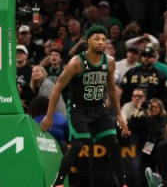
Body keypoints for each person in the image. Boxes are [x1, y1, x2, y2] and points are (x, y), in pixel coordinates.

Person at [41, 25, 130, 187]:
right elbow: (58, 87)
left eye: (104, 39)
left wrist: (118, 115)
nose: (101, 42)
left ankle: (122, 183)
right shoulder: (77, 62)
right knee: (79, 144)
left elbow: (111, 89)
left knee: (113, 142)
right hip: (78, 108)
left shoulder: (109, 62)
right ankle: (58, 183)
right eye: (97, 39)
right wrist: (49, 115)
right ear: (88, 41)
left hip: (99, 108)